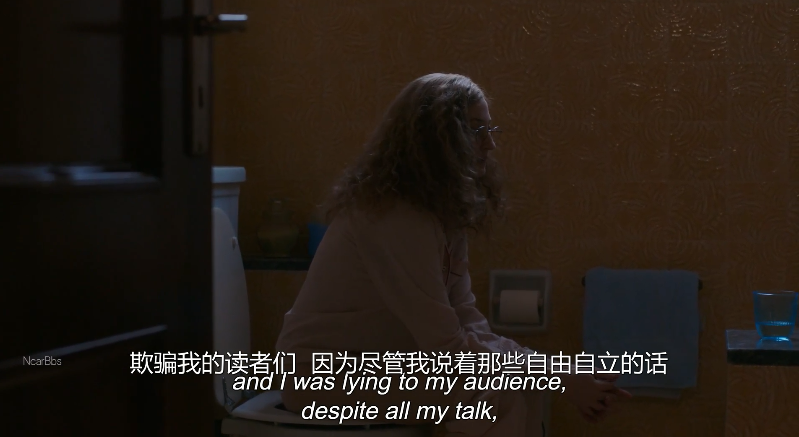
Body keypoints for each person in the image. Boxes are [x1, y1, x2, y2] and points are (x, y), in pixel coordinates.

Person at [275, 73, 631, 436]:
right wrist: (556, 376)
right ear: (435, 139)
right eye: (475, 130)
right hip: (322, 377)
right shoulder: (392, 217)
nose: (490, 143)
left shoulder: (441, 212)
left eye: (490, 129)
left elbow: (465, 318)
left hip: (378, 364)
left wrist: (556, 372)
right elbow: (447, 347)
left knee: (516, 385)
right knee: (494, 395)